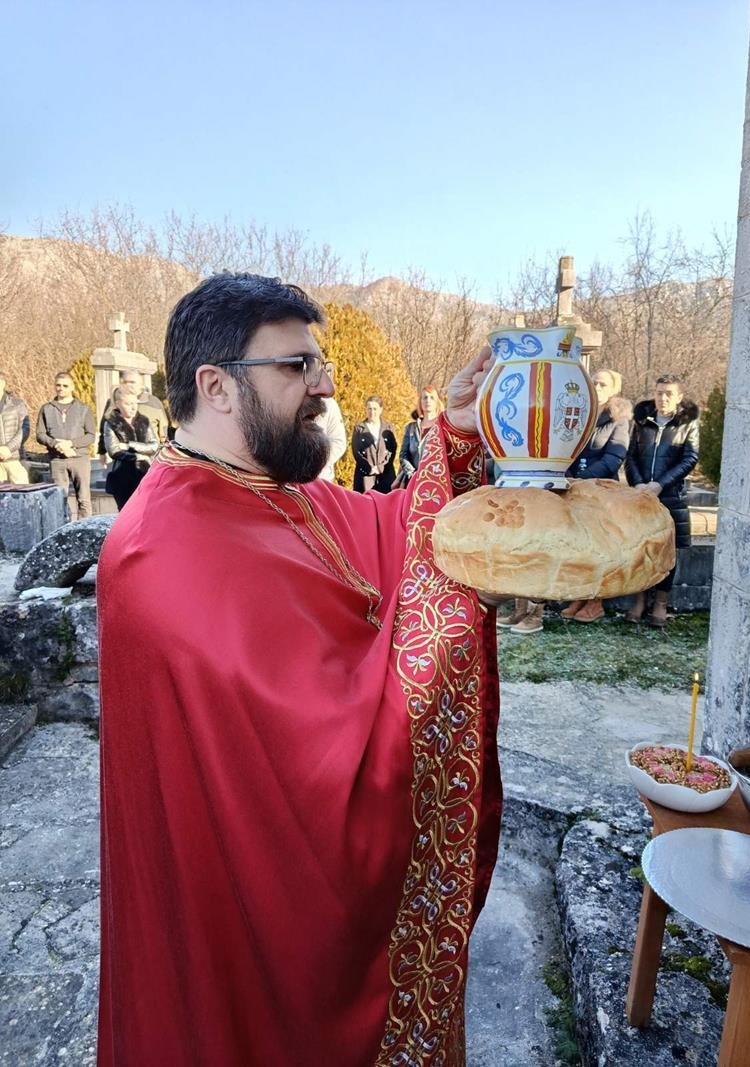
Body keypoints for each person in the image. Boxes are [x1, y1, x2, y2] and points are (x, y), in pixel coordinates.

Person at [96, 273, 501, 1065]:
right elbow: (310, 755)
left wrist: (453, 438)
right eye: (296, 366)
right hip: (246, 932)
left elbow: (390, 527)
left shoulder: (275, 487)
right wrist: (448, 616)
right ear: (215, 386)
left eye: (321, 364)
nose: (325, 386)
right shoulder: (158, 553)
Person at [625, 374, 700, 627]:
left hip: (669, 496)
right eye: (659, 393)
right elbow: (631, 456)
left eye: (669, 394)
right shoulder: (642, 421)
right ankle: (640, 599)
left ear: (679, 397)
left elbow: (690, 458)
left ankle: (660, 602)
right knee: (640, 548)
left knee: (668, 552)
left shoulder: (688, 424)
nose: (663, 398)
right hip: (641, 497)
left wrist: (660, 484)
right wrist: (639, 484)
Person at [560, 368, 633, 624]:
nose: (597, 387)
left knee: (601, 546)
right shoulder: (579, 411)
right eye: (594, 383)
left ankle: (596, 601)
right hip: (573, 487)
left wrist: (584, 478)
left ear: (614, 389)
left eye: (603, 384)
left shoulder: (618, 419)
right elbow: (564, 445)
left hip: (600, 490)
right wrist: (567, 474)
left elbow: (614, 456)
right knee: (579, 545)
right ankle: (580, 595)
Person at [35, 372, 96, 517]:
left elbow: (91, 436)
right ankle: (63, 527)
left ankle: (85, 527)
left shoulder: (83, 409)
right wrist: (55, 444)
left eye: (65, 386)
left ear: (72, 387)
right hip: (57, 460)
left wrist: (71, 443)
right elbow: (40, 434)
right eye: (58, 385)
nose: (61, 388)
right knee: (59, 499)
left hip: (79, 458)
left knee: (84, 499)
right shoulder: (47, 409)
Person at [103, 387, 158, 510]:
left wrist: (129, 445)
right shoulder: (111, 422)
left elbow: (154, 446)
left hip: (145, 473)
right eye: (128, 404)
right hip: (122, 477)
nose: (133, 407)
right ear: (118, 404)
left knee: (146, 511)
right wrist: (139, 455)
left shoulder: (144, 420)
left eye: (135, 403)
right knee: (126, 512)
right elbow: (114, 450)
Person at [98, 369, 171, 463]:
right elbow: (104, 427)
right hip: (122, 461)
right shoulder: (113, 402)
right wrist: (102, 451)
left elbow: (164, 432)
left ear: (140, 384)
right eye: (125, 382)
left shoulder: (154, 402)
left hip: (150, 459)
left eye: (132, 382)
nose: (129, 385)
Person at [395, 385, 444, 488]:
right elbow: (403, 455)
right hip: (412, 481)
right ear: (420, 402)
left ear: (436, 402)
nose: (428, 400)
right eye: (424, 397)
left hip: (436, 481)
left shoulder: (442, 426)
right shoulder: (411, 428)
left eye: (431, 397)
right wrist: (412, 473)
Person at [351, 394, 397, 492]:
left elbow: (392, 450)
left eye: (375, 409)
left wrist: (380, 468)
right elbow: (356, 451)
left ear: (381, 410)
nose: (372, 412)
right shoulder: (359, 428)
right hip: (365, 477)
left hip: (386, 475)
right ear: (366, 409)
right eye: (369, 409)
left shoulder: (388, 428)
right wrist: (369, 468)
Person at [0, 370, 30, 484]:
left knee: (22, 493)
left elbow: (25, 429)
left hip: (15, 458)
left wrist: (8, 448)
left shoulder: (17, 404)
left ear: (3, 383)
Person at [314, 393, 346, 481]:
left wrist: (315, 464)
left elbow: (338, 441)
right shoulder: (289, 399)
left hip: (322, 478)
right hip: (289, 480)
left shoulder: (328, 404)